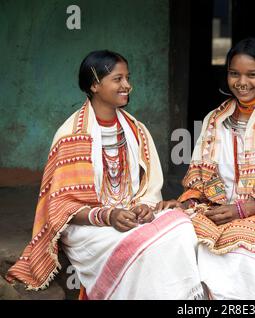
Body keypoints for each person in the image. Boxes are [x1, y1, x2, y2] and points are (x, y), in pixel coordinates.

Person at [6, 50, 203, 300]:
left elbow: (148, 188)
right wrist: (108, 215)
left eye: (127, 78)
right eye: (118, 79)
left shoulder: (136, 130)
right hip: (90, 227)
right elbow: (61, 208)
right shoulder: (72, 137)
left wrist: (145, 207)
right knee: (145, 246)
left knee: (183, 226)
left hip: (130, 214)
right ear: (95, 85)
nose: (127, 86)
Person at [157, 37, 255, 299]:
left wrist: (243, 209)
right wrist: (186, 203)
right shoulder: (214, 120)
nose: (242, 82)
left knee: (242, 243)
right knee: (171, 231)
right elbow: (198, 177)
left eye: (252, 74)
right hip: (214, 210)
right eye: (234, 74)